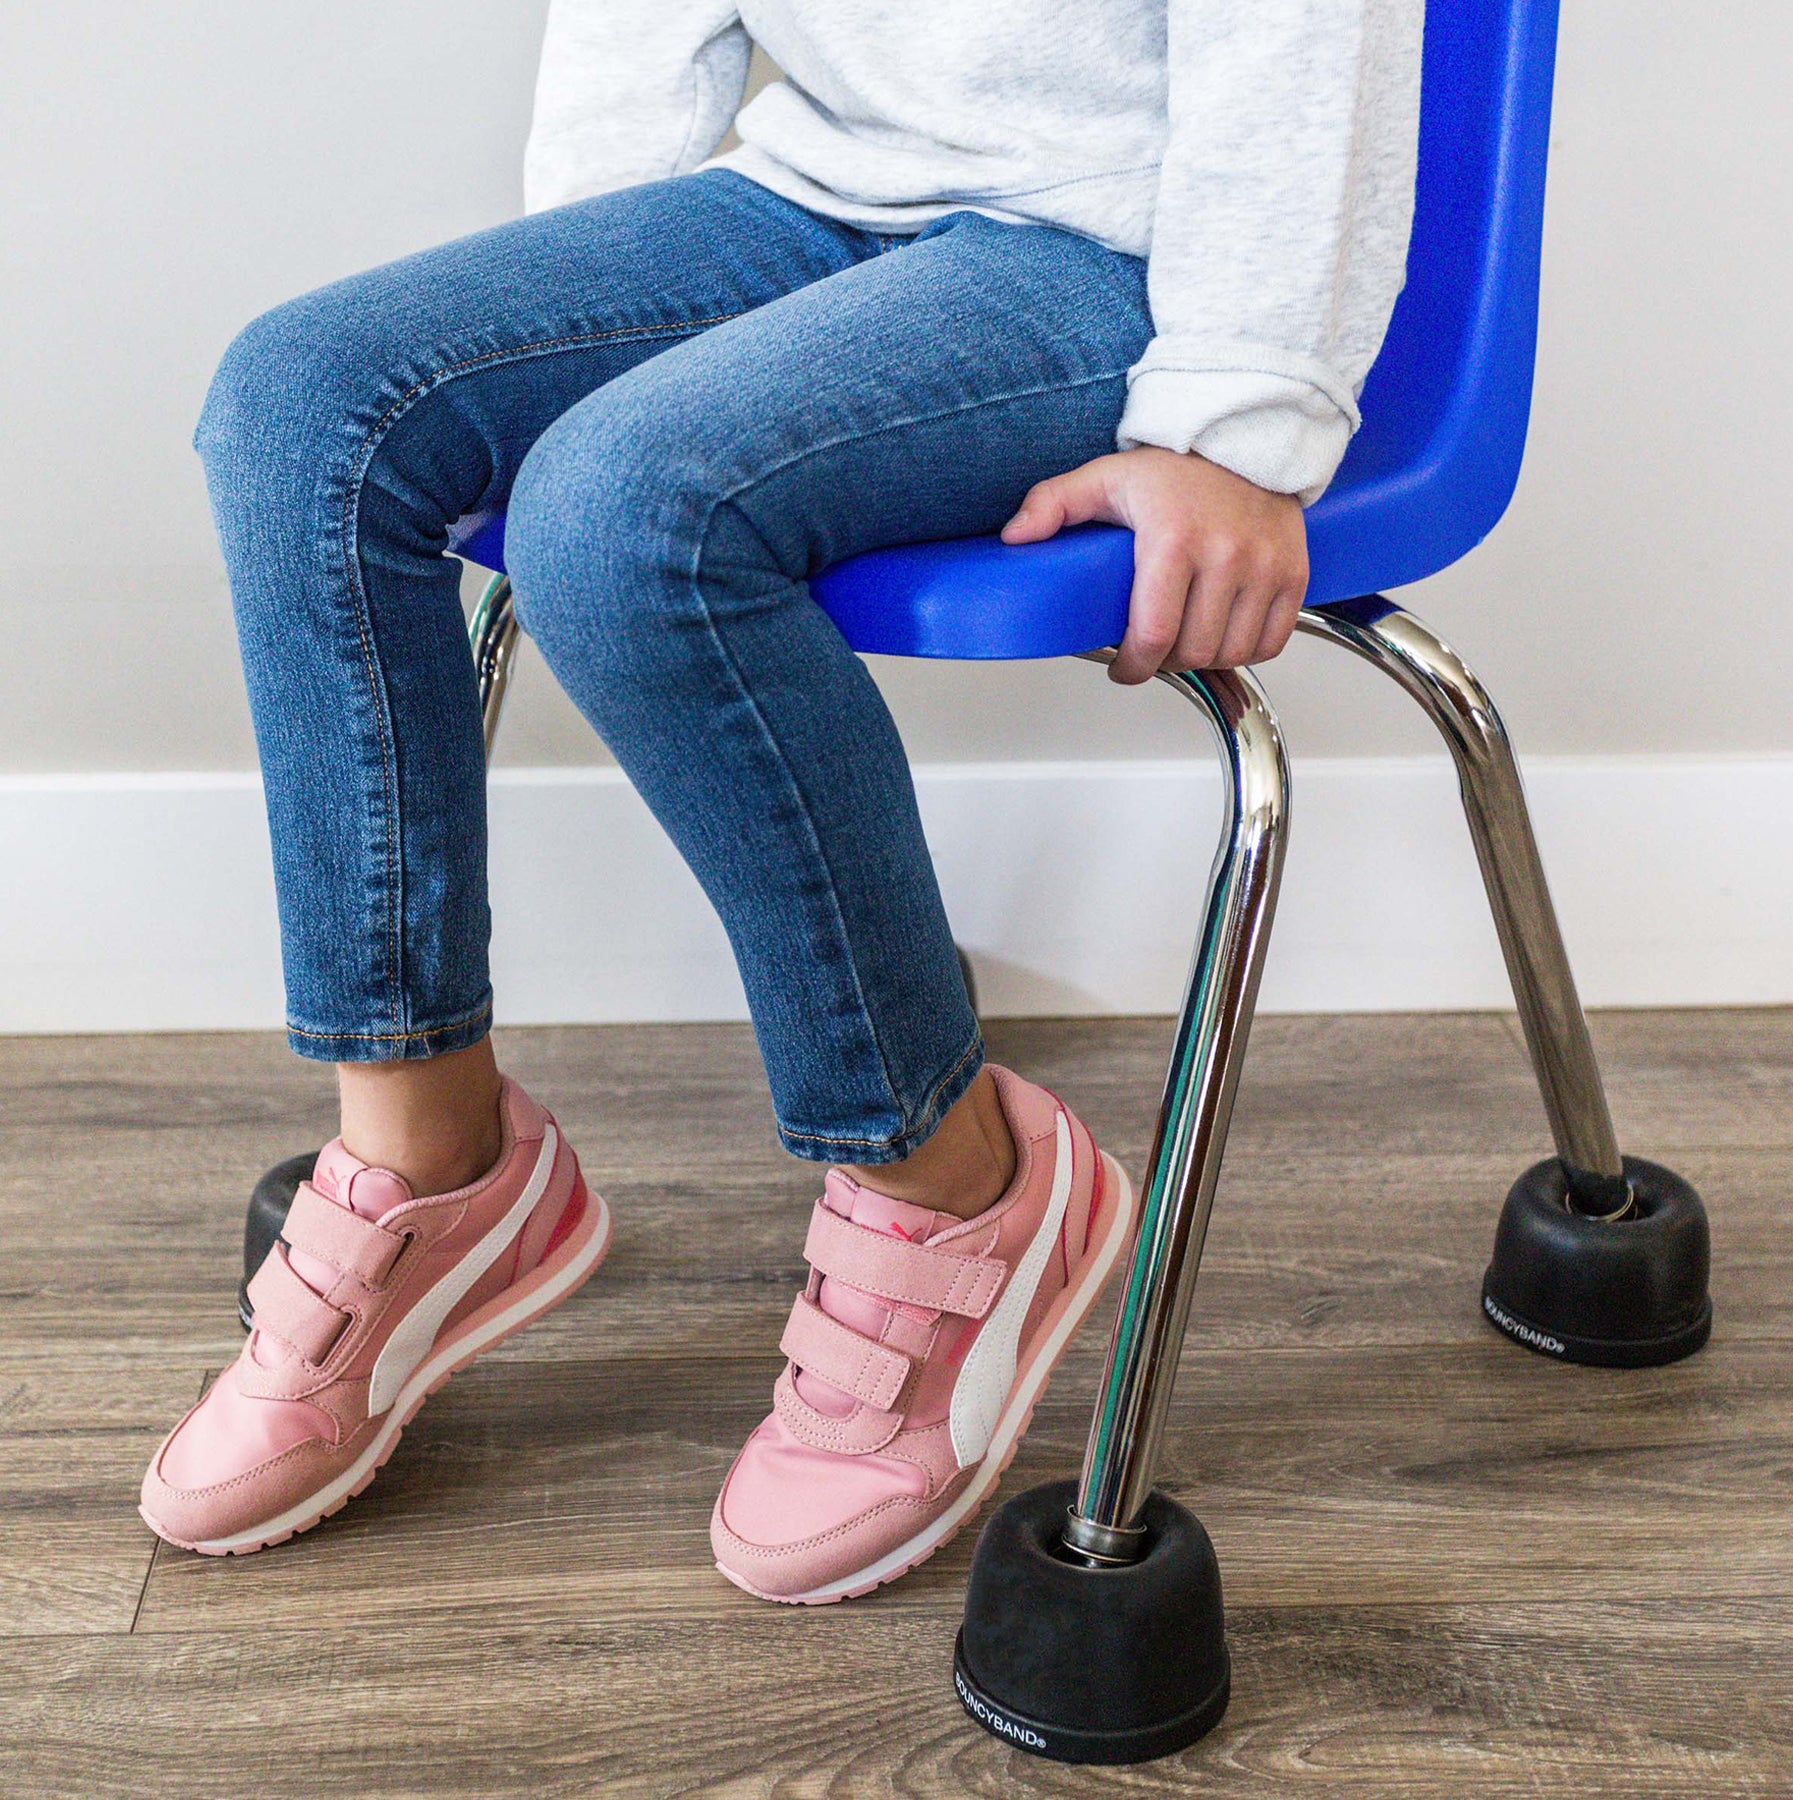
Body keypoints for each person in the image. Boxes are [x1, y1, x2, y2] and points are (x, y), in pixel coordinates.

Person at [139, 0, 1422, 1601]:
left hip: (1117, 244)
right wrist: (583, 311)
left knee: (624, 518)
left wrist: (1240, 413)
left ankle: (957, 1182)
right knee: (299, 409)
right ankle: (436, 1157)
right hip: (806, 199)